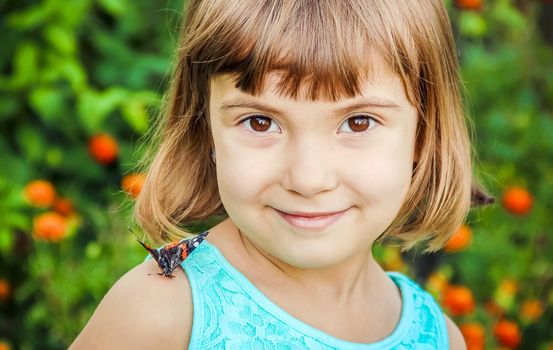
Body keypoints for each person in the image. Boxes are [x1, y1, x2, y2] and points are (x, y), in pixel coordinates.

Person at [71, 0, 491, 348]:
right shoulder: (160, 313)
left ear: (422, 134)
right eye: (259, 122)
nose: (308, 179)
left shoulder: (438, 337)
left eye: (359, 122)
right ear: (206, 128)